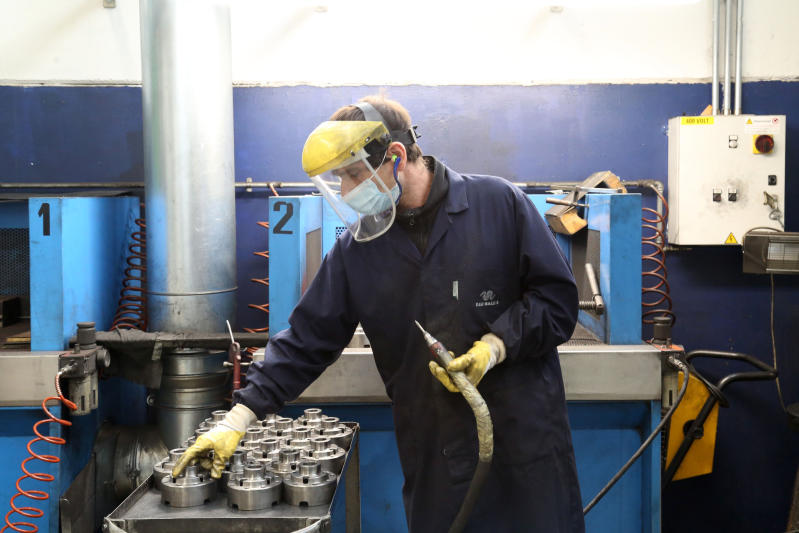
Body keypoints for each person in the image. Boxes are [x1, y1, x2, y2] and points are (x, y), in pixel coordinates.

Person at [173, 95, 585, 532]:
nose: (347, 191)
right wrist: (237, 419)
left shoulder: (498, 204)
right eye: (340, 179)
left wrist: (495, 346)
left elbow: (557, 302)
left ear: (397, 156)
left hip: (524, 448)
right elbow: (306, 341)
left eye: (353, 174)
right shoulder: (358, 250)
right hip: (437, 458)